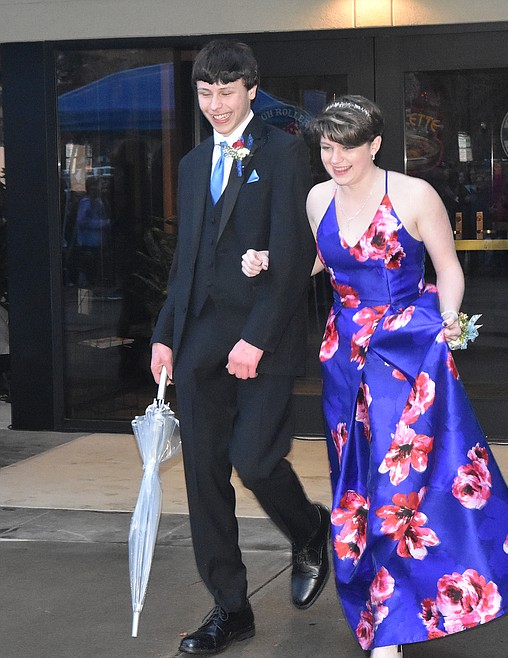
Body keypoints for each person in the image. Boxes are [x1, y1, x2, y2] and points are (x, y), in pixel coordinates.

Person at [242, 95, 508, 657]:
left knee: (402, 491)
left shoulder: (413, 195)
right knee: (357, 487)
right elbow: (325, 259)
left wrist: (449, 320)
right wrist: (272, 261)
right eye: (327, 149)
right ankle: (382, 614)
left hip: (405, 355)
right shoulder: (317, 198)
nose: (336, 160)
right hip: (343, 357)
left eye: (348, 149)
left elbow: (448, 267)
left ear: (375, 144)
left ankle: (396, 625)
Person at [150, 40, 330, 656]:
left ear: (251, 89)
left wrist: (256, 337)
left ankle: (309, 528)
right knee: (203, 478)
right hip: (197, 339)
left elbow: (294, 257)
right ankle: (231, 609)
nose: (216, 104)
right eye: (206, 93)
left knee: (254, 461)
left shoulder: (285, 153)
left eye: (227, 91)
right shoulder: (192, 164)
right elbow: (186, 261)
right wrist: (164, 335)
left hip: (263, 337)